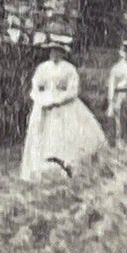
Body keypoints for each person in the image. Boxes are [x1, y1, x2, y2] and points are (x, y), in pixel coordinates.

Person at [20, 41, 107, 181]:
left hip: (64, 106)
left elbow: (73, 90)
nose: (55, 54)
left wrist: (58, 101)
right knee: (41, 135)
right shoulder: (42, 68)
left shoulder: (69, 69)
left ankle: (66, 168)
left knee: (65, 135)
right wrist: (41, 99)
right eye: (52, 51)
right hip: (44, 105)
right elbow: (35, 87)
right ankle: (41, 168)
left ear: (62, 53)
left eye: (58, 51)